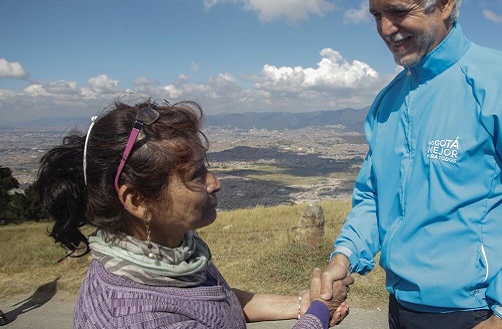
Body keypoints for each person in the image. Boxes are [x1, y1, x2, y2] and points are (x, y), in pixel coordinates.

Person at [320, 0, 502, 328]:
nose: (385, 29)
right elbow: (373, 198)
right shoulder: (388, 102)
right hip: (399, 308)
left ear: (444, 1)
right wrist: (345, 256)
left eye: (398, 11)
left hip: (479, 312)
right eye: (376, 15)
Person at [35, 99, 352, 329]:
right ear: (137, 200)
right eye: (196, 175)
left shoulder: (172, 252)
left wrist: (302, 305)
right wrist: (319, 312)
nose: (215, 182)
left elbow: (216, 305)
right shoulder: (136, 318)